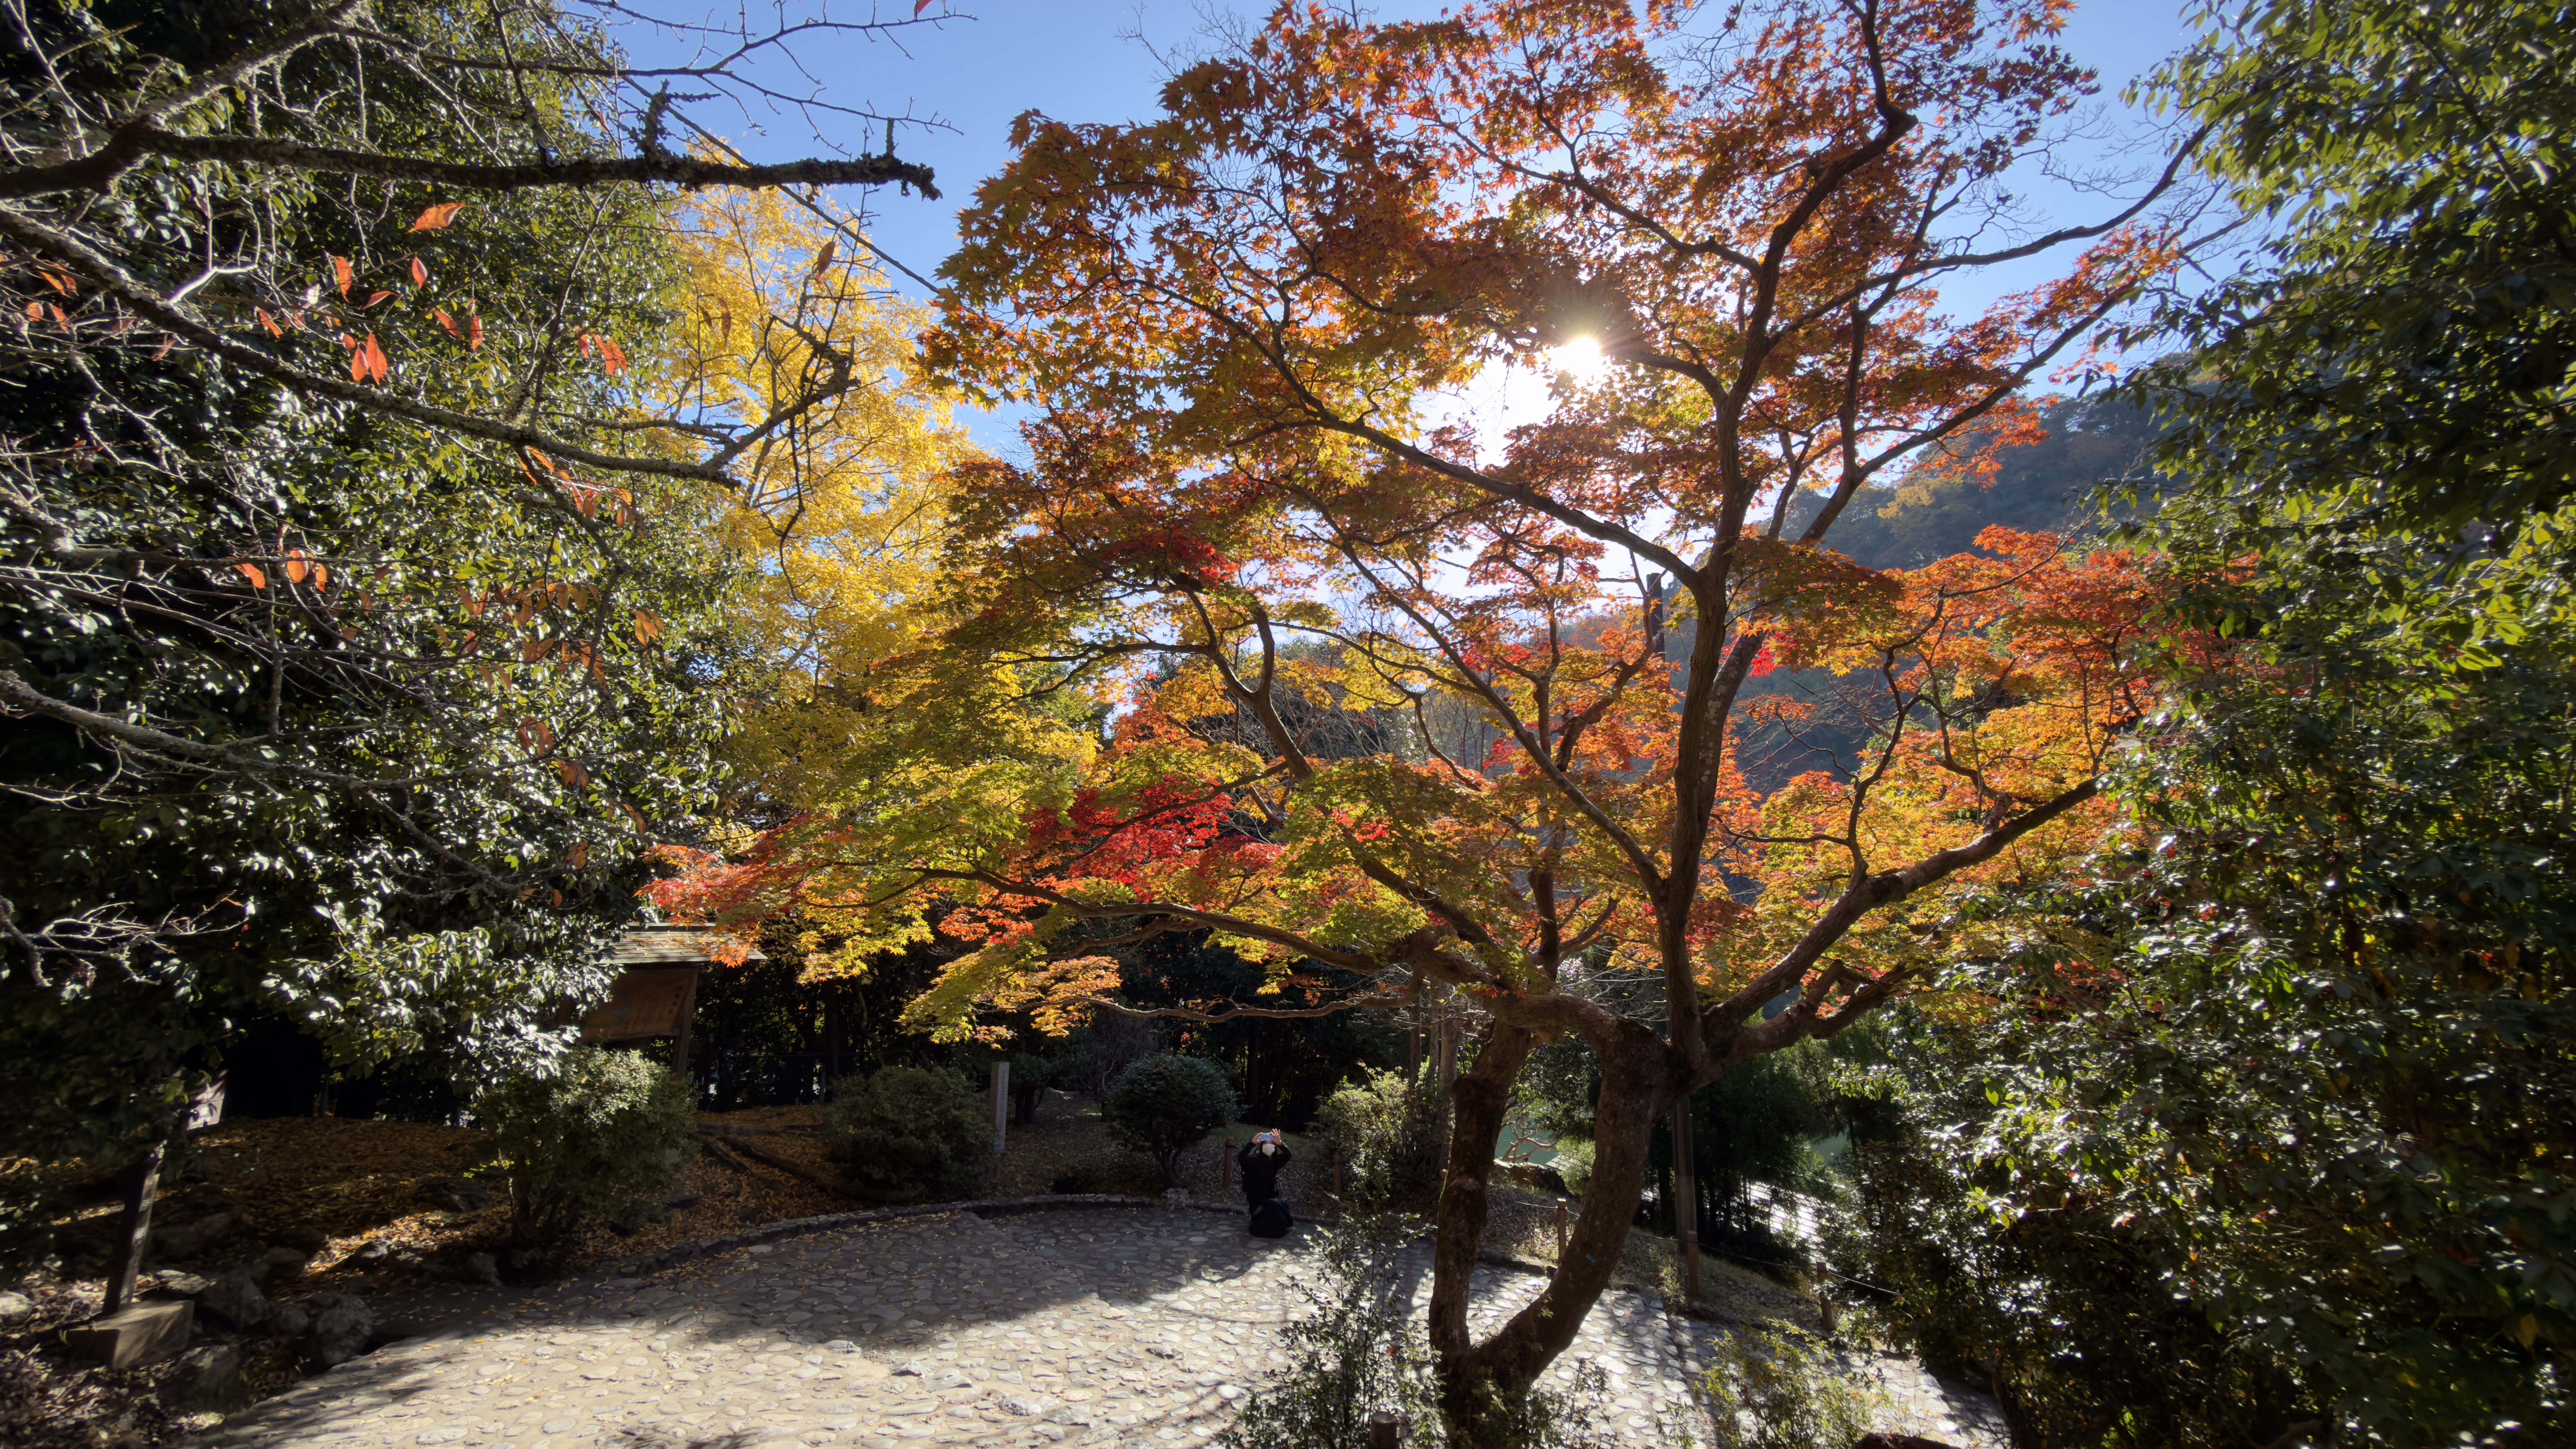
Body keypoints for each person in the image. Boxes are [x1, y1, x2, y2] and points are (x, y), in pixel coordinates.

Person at [1237, 1129, 1291, 1208]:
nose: (1268, 1145)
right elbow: (1241, 1158)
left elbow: (1288, 1156)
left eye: (1271, 1143)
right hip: (1256, 1198)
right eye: (1265, 1143)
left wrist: (1280, 1143)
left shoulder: (1275, 1162)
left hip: (1271, 1196)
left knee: (1283, 1208)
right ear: (1262, 1146)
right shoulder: (1254, 1160)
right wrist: (1252, 1143)